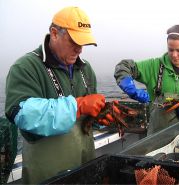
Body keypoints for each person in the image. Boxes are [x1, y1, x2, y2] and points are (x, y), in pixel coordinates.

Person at [5, 6, 113, 184]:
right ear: (54, 33)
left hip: (86, 163)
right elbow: (22, 114)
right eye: (74, 41)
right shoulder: (25, 67)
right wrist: (78, 106)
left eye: (83, 43)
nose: (79, 49)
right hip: (47, 172)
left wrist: (99, 117)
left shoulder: (86, 70)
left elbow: (88, 115)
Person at [114, 23, 179, 135]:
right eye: (171, 50)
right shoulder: (153, 66)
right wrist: (130, 88)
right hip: (156, 136)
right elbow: (124, 66)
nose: (174, 55)